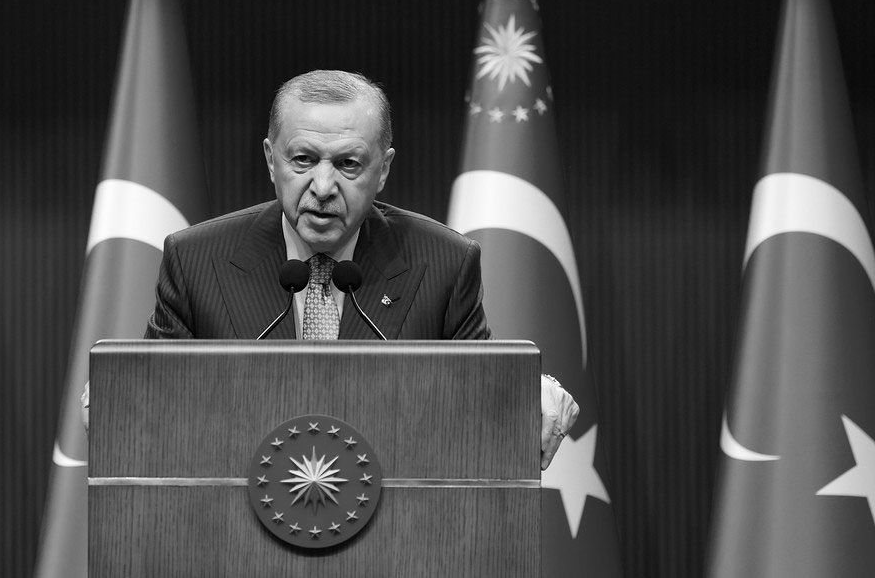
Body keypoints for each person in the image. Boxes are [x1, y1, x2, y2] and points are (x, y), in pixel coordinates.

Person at [91, 69, 578, 469]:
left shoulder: (442, 262)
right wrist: (118, 392)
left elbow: (486, 384)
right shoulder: (197, 260)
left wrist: (530, 392)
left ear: (383, 169)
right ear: (271, 159)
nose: (322, 187)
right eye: (303, 159)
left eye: (348, 164)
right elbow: (150, 390)